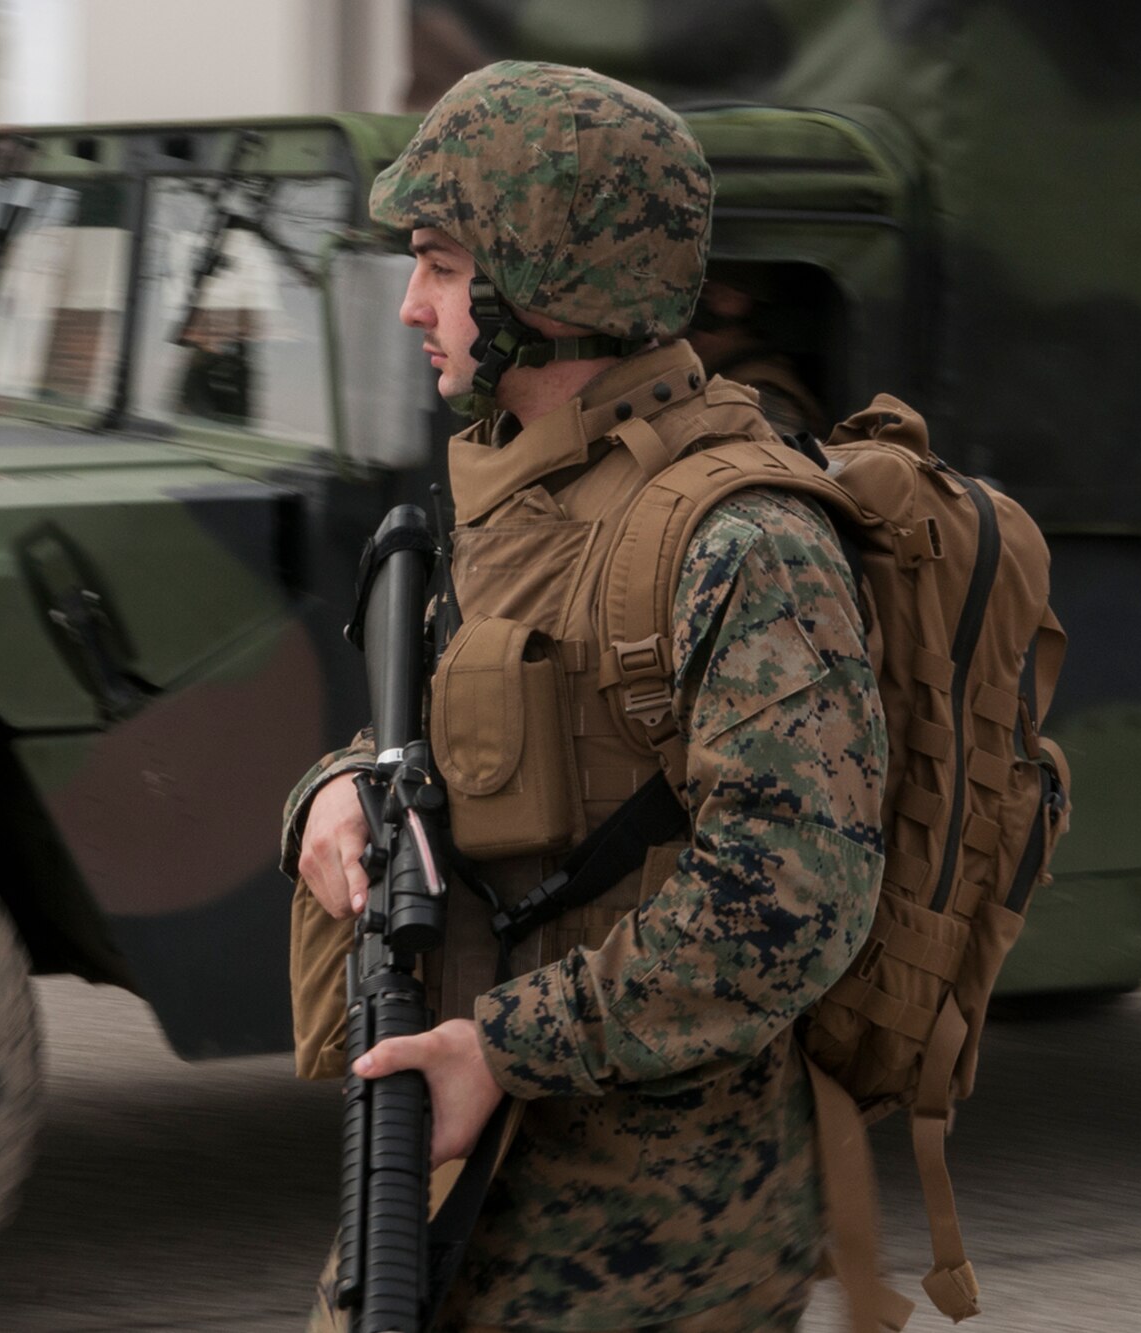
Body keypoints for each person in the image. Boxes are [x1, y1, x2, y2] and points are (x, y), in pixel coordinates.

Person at [281, 62, 887, 1332]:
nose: (410, 304)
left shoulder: (743, 537)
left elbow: (790, 898)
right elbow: (449, 740)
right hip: (469, 1176)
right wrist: (330, 793)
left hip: (653, 1245)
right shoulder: (528, 494)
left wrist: (504, 1046)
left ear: (543, 281)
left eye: (440, 263)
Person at [683, 269, 830, 442]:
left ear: (735, 300)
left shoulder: (764, 396)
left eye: (707, 293)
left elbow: (772, 462)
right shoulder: (717, 375)